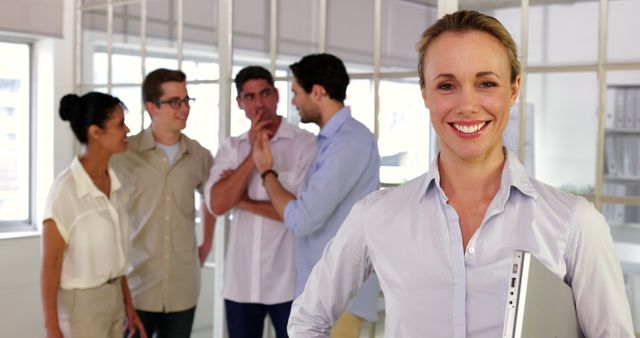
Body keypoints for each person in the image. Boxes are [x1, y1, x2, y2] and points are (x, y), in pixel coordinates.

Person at [285, 10, 635, 338]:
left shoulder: (574, 225)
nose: (467, 105)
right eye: (446, 85)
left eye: (486, 83)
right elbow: (307, 320)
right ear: (425, 93)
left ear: (513, 89)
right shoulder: (375, 216)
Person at [252, 54, 380, 338]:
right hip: (327, 296)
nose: (294, 101)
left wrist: (267, 173)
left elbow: (302, 219)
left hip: (339, 300)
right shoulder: (331, 141)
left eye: (297, 93)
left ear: (318, 92)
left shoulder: (348, 143)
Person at [204, 66, 316, 338]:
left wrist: (240, 200)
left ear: (277, 95)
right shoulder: (232, 148)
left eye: (265, 93)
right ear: (240, 103)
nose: (259, 103)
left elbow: (300, 212)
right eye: (250, 97)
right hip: (240, 284)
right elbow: (217, 205)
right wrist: (251, 158)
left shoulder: (304, 144)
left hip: (289, 284)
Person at [110, 68, 215, 338]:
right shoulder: (123, 154)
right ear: (151, 107)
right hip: (136, 286)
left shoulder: (199, 154)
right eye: (174, 102)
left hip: (183, 287)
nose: (184, 109)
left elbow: (212, 198)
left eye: (186, 100)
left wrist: (206, 244)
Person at [41, 92, 146, 338]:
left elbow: (115, 255)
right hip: (82, 307)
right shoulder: (65, 191)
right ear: (95, 132)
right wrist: (52, 328)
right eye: (120, 124)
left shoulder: (115, 183)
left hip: (114, 300)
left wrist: (128, 305)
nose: (127, 130)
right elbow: (50, 264)